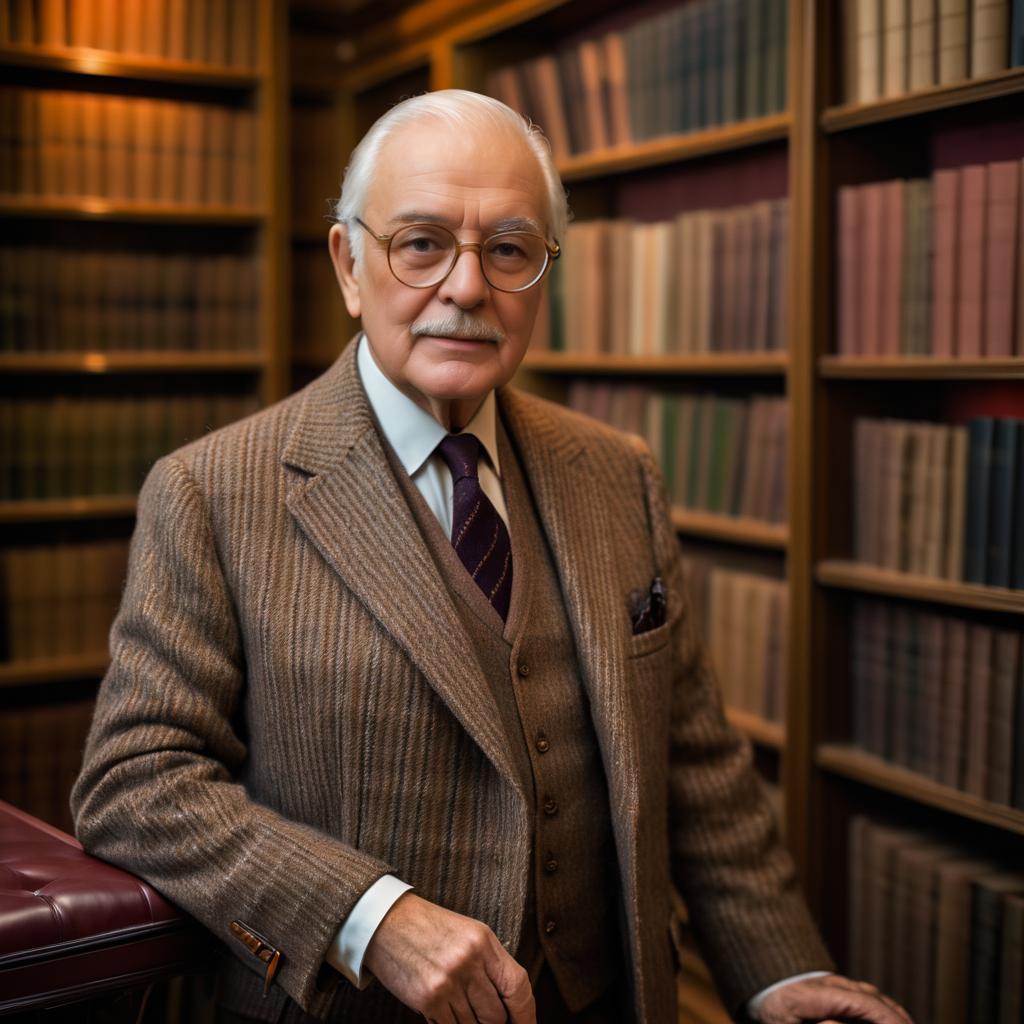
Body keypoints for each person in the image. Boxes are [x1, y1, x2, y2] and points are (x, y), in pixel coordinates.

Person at [72, 90, 912, 1024]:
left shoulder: (616, 473)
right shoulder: (211, 492)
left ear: (542, 274)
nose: (467, 288)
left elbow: (696, 767)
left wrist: (778, 972)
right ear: (351, 265)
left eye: (508, 250)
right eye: (421, 243)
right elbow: (135, 783)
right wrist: (367, 915)